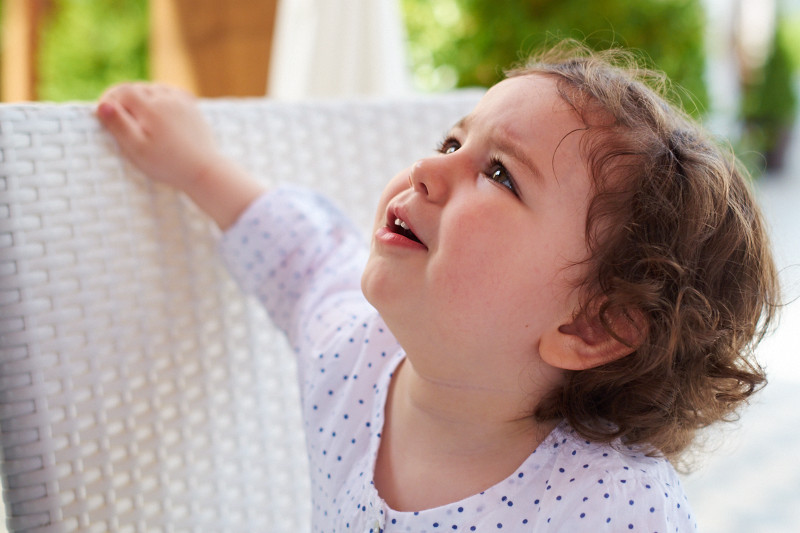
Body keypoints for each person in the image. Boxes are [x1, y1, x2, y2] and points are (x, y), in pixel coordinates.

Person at [97, 42, 778, 532]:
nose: (427, 167)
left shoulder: (612, 506)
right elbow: (302, 256)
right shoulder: (354, 352)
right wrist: (197, 166)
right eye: (452, 143)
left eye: (501, 174)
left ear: (589, 327)